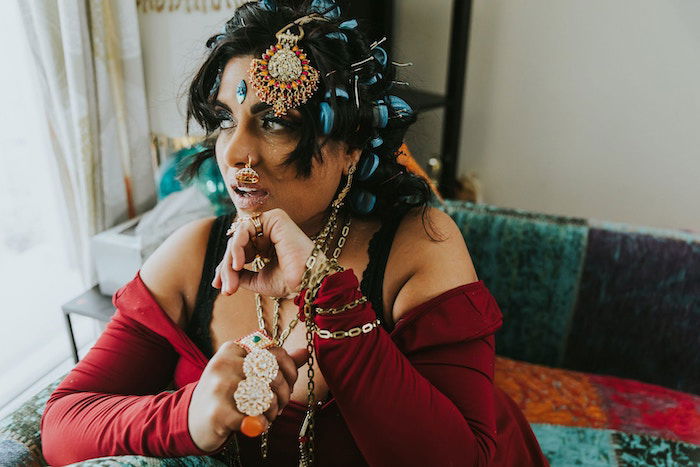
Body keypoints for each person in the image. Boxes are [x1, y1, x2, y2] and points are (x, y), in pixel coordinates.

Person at [40, 1, 549, 465]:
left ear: (351, 145)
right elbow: (61, 426)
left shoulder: (419, 244)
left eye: (277, 122)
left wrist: (326, 292)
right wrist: (190, 415)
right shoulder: (194, 254)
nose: (236, 153)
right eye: (225, 119)